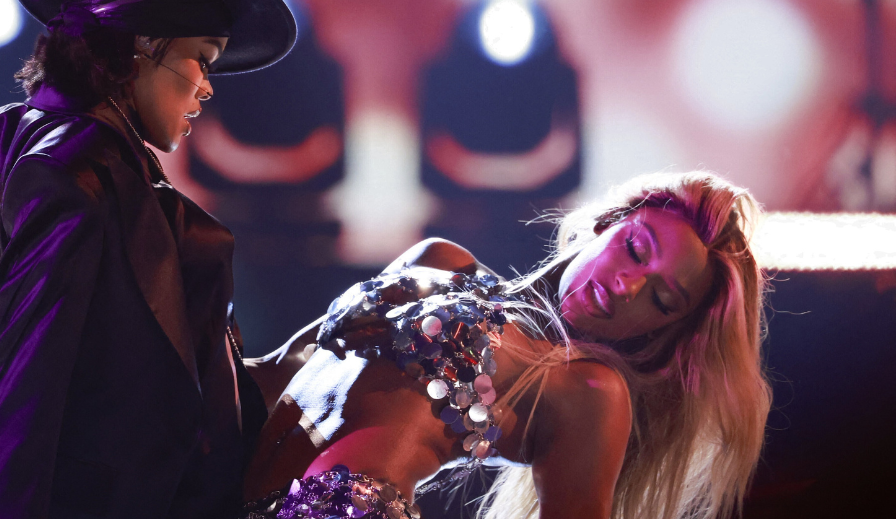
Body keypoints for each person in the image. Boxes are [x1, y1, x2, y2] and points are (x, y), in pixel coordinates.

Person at [0, 0, 296, 518]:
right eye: (200, 59)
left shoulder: (72, 166)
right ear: (139, 47)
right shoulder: (72, 178)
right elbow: (19, 396)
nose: (207, 88)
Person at [243, 171, 771, 519]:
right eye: (634, 250)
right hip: (221, 489)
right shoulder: (440, 257)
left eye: (660, 300)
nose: (625, 287)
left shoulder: (586, 388)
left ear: (659, 331)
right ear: (608, 223)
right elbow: (270, 373)